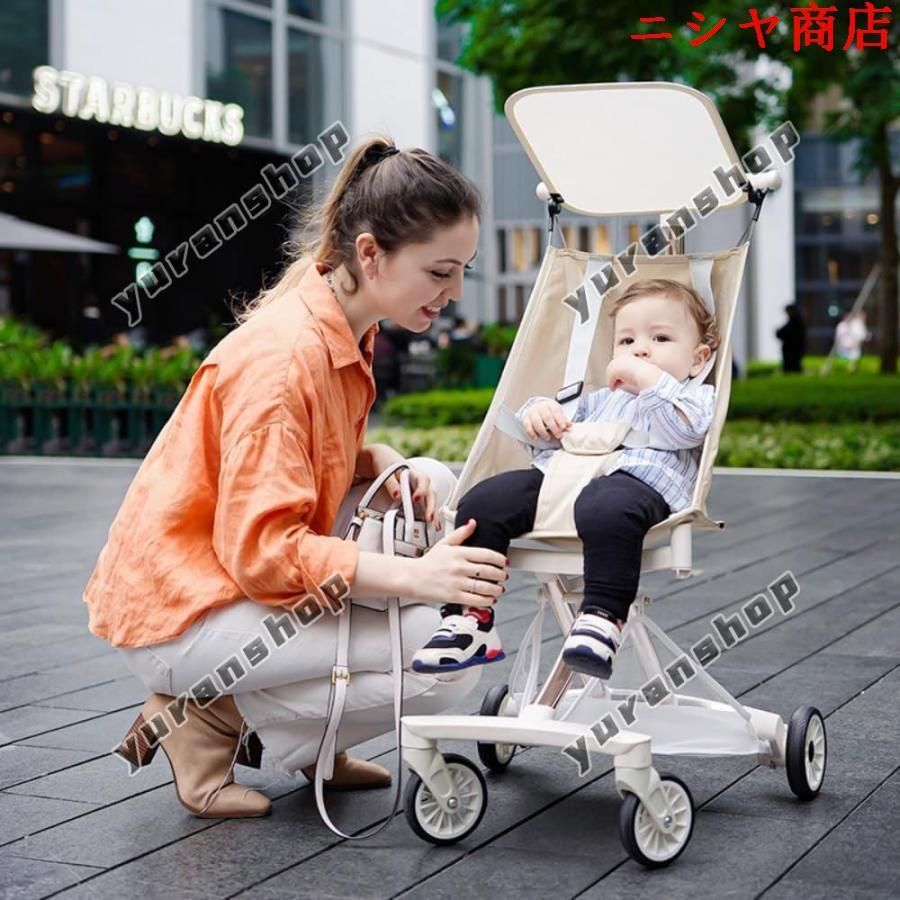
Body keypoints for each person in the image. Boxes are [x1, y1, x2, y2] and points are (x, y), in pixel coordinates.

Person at [83, 137, 507, 819]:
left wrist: (375, 460)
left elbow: (294, 464)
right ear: (370, 254)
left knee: (429, 478)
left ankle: (313, 741)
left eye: (463, 271)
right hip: (184, 614)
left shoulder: (340, 321)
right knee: (446, 650)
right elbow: (264, 552)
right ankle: (208, 718)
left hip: (223, 582)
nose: (454, 292)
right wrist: (417, 579)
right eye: (440, 271)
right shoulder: (284, 361)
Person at [412, 278, 718, 680]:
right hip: (561, 480)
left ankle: (601, 617)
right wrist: (540, 415)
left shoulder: (693, 397)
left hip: (633, 487)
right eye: (626, 341)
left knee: (606, 506)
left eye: (660, 338)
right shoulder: (600, 399)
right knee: (483, 502)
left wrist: (647, 379)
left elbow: (687, 431)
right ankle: (469, 618)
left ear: (697, 359)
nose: (640, 350)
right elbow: (554, 438)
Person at [775, 304, 806, 373]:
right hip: (792, 350)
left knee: (792, 367)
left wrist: (779, 332)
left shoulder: (796, 322)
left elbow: (789, 333)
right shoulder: (794, 321)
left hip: (792, 350)